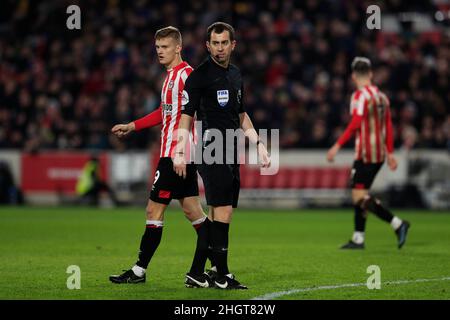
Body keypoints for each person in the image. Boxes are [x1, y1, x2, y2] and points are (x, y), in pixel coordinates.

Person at [109, 26, 213, 286]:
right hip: (177, 155)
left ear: (178, 47)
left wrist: (180, 152)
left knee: (153, 209)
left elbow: (195, 116)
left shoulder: (187, 76)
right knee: (194, 213)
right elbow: (163, 113)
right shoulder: (169, 77)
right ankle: (215, 267)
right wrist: (132, 125)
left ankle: (139, 271)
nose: (160, 52)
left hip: (175, 155)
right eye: (157, 48)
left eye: (165, 47)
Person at [174, 22, 271, 289]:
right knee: (223, 209)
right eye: (214, 43)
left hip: (231, 149)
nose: (219, 48)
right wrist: (180, 150)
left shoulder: (237, 75)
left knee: (221, 211)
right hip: (210, 148)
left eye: (224, 43)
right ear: (208, 46)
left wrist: (259, 144)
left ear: (232, 45)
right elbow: (186, 116)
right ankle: (222, 275)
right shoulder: (200, 76)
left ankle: (199, 271)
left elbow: (241, 115)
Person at [327, 57, 410, 250]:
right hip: (379, 155)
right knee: (361, 194)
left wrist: (337, 146)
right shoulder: (382, 97)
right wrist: (390, 153)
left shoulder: (359, 97)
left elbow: (356, 123)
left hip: (365, 154)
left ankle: (397, 223)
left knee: (358, 197)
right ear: (371, 74)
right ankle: (358, 238)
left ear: (354, 76)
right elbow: (388, 126)